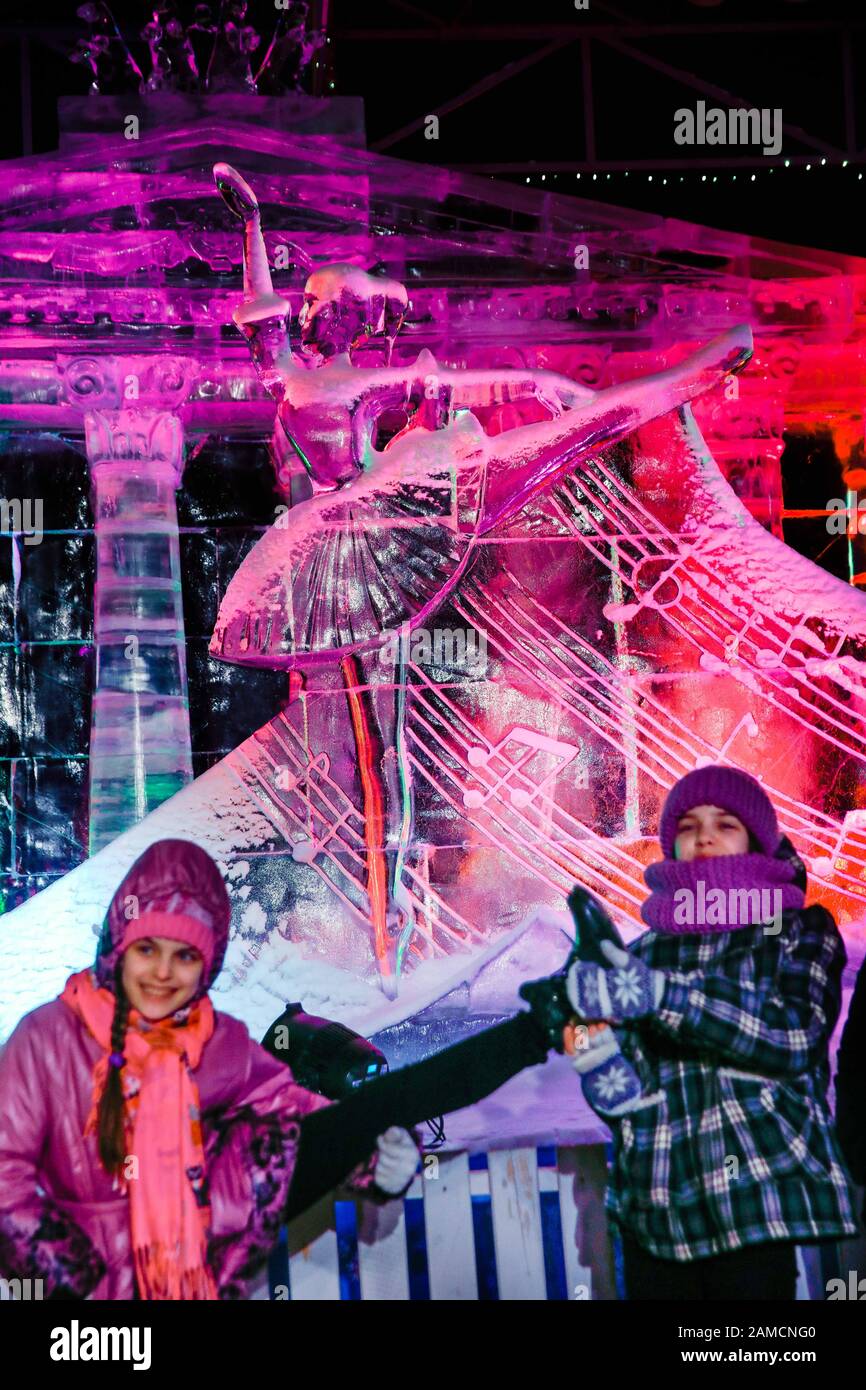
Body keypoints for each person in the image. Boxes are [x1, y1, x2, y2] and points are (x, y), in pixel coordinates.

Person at [0, 837, 588, 1301]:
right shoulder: (49, 1039)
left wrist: (375, 1159)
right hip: (79, 1309)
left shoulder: (219, 1045)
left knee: (359, 1114)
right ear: (117, 947)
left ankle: (542, 1023)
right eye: (147, 949)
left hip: (194, 1280)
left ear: (207, 965)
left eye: (185, 955)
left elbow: (307, 1116)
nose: (162, 972)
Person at [526, 765, 860, 1300]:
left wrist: (661, 996)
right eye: (687, 825)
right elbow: (626, 1102)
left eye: (724, 823)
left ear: (756, 839)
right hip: (656, 1217)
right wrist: (588, 1045)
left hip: (755, 1207)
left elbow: (790, 1037)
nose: (703, 835)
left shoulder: (798, 933)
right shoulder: (644, 956)